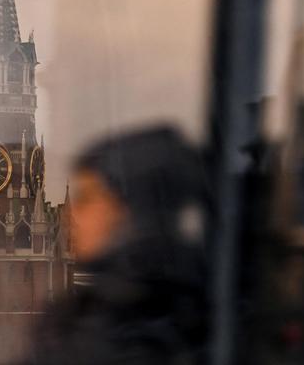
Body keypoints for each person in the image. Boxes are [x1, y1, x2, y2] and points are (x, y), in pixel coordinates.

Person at [27, 127, 213, 365]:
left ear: (134, 209)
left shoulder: (145, 319)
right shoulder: (93, 305)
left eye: (86, 198)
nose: (69, 214)